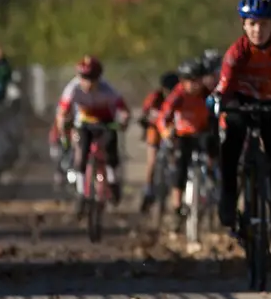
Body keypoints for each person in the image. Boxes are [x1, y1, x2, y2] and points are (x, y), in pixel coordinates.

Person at [216, 0, 271, 256]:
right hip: (241, 102)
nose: (258, 30)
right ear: (243, 25)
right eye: (252, 24)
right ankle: (227, 198)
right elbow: (224, 84)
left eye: (263, 24)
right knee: (231, 146)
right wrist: (219, 101)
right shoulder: (238, 50)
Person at [55, 56, 129, 215]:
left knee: (111, 150)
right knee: (81, 156)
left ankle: (113, 181)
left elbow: (123, 109)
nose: (88, 83)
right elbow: (62, 111)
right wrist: (63, 127)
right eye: (84, 78)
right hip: (84, 123)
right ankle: (82, 193)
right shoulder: (73, 89)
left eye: (92, 79)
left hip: (105, 121)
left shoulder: (107, 90)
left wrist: (123, 120)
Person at [159, 59, 213, 231]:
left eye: (197, 79)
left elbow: (219, 113)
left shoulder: (207, 94)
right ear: (182, 81)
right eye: (190, 80)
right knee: (181, 166)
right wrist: (167, 132)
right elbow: (163, 117)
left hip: (203, 133)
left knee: (215, 154)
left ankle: (214, 190)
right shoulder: (178, 95)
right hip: (184, 135)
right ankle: (177, 207)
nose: (194, 85)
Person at [139, 70, 180, 211]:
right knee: (152, 159)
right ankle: (148, 189)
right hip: (155, 130)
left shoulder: (179, 97)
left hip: (172, 131)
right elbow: (144, 113)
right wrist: (147, 120)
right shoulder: (155, 97)